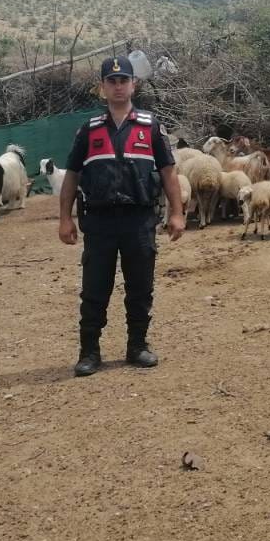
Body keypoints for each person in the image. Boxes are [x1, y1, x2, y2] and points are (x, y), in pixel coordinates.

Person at [57, 56, 185, 377]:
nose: (118, 86)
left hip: (139, 220)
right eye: (111, 81)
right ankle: (89, 352)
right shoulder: (88, 130)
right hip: (99, 223)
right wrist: (65, 218)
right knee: (94, 289)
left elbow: (169, 173)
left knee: (140, 286)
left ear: (133, 85)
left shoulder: (150, 126)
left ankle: (137, 346)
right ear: (102, 88)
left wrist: (177, 213)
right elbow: (71, 176)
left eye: (123, 80)